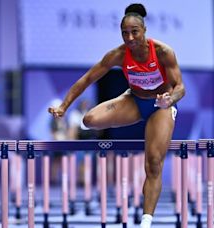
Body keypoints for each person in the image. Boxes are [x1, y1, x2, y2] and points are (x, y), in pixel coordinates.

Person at [48, 4, 185, 228]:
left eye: (134, 32)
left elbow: (181, 87)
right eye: (124, 33)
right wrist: (64, 106)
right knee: (89, 120)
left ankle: (146, 222)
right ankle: (136, 112)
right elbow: (87, 79)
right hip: (134, 100)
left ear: (144, 30)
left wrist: (169, 99)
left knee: (153, 164)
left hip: (161, 106)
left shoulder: (162, 52)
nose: (129, 37)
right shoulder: (118, 54)